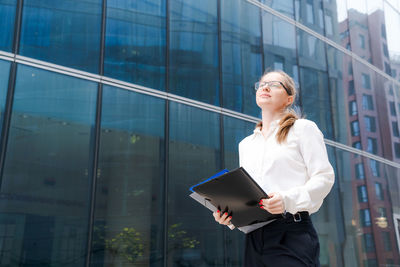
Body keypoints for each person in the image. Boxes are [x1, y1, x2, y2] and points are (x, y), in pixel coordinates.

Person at [212, 70, 335, 266]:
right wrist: (231, 214)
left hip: (291, 232)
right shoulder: (246, 144)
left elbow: (324, 178)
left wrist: (287, 200)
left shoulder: (303, 129)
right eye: (261, 84)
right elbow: (249, 195)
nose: (265, 87)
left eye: (275, 84)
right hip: (254, 236)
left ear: (289, 98)